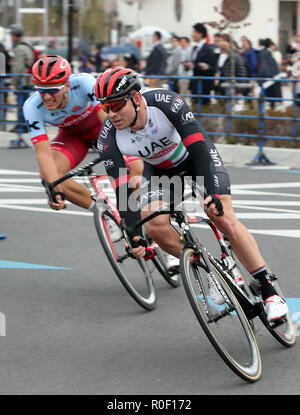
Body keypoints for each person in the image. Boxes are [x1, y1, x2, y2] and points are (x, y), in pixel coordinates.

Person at [95, 66, 288, 323]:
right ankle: (212, 274)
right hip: (162, 172)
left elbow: (199, 148)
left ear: (137, 98)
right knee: (155, 226)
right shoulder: (109, 138)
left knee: (223, 217)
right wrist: (135, 235)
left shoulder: (165, 102)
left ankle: (269, 291)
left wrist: (213, 195)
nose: (112, 113)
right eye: (105, 107)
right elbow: (122, 192)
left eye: (117, 105)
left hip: (196, 158)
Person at [22, 55, 143, 212]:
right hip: (73, 138)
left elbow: (108, 120)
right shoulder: (32, 107)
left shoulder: (84, 82)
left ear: (66, 85)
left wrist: (122, 152)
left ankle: (133, 211)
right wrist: (54, 189)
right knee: (49, 176)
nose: (46, 97)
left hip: (102, 129)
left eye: (52, 90)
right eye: (40, 90)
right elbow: (43, 153)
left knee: (135, 166)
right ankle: (103, 212)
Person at [10, 24, 34, 133]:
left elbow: (17, 67)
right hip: (28, 79)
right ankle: (25, 125)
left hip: (22, 81)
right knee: (26, 104)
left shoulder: (19, 48)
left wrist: (14, 82)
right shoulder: (28, 45)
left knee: (21, 104)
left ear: (14, 35)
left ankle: (21, 125)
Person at [186, 23, 216, 106]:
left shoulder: (208, 49)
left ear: (200, 34)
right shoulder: (195, 48)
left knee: (203, 108)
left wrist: (195, 65)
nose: (192, 34)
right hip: (194, 83)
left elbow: (212, 68)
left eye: (194, 32)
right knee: (194, 108)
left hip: (203, 85)